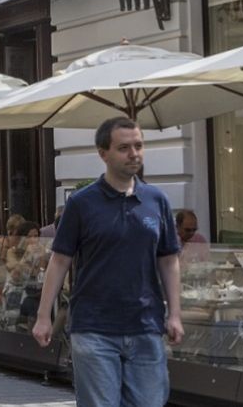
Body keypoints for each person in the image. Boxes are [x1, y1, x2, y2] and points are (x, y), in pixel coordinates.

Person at [32, 117, 183, 407]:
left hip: (146, 324)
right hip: (93, 327)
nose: (134, 154)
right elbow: (60, 259)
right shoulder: (81, 203)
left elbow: (168, 259)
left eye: (138, 146)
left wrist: (174, 313)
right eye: (124, 148)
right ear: (103, 153)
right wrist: (43, 316)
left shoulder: (156, 200)